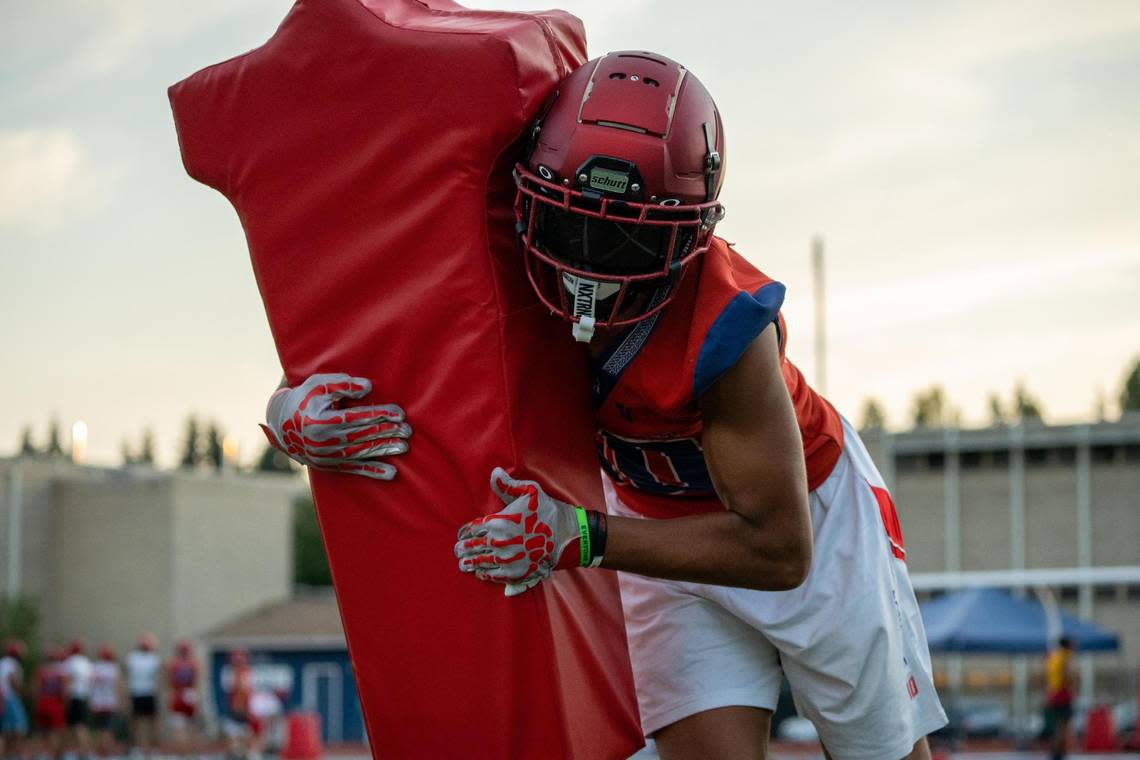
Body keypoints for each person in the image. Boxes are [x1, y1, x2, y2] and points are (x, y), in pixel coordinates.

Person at [261, 50, 947, 760]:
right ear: (527, 196)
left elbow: (779, 549)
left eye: (626, 233)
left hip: (809, 521)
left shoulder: (727, 326)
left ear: (691, 234)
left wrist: (582, 536)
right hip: (657, 536)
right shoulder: (499, 269)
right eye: (572, 224)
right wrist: (293, 409)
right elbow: (387, 341)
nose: (590, 265)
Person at [124, 634, 160, 758]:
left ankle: (136, 748)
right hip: (149, 693)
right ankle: (151, 749)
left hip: (136, 693)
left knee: (135, 724)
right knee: (151, 724)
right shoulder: (153, 659)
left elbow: (127, 673)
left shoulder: (131, 658)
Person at [164, 640, 200, 758]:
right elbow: (197, 682)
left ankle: (183, 755)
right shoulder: (194, 663)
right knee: (192, 727)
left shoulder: (172, 664)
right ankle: (193, 753)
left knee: (179, 730)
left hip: (177, 695)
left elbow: (169, 681)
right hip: (190, 695)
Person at [1044, 636, 1077, 760]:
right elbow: (1066, 675)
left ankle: (1056, 752)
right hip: (1062, 694)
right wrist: (1072, 685)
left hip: (1053, 694)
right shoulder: (1065, 657)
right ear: (1068, 645)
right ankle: (1058, 754)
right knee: (1062, 726)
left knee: (1058, 725)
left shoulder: (1053, 657)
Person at [33, 646, 67, 760]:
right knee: (55, 733)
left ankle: (39, 755)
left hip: (43, 702)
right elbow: (64, 690)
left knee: (41, 733)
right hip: (55, 703)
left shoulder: (41, 670)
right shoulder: (60, 670)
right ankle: (54, 756)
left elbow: (36, 689)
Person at [89, 646, 122, 759]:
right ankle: (108, 753)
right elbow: (117, 687)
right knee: (108, 729)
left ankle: (101, 753)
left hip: (97, 702)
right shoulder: (113, 669)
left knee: (100, 729)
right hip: (109, 702)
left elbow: (91, 685)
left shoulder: (95, 667)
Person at [61, 640, 92, 760]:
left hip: (73, 697)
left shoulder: (69, 663)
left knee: (74, 727)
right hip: (84, 696)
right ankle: (82, 752)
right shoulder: (86, 663)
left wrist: (65, 700)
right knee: (80, 726)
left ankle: (77, 753)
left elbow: (66, 682)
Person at [223, 650, 254, 760]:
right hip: (236, 709)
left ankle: (242, 754)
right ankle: (237, 754)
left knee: (243, 735)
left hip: (242, 709)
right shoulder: (231, 672)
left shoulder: (245, 672)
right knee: (234, 736)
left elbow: (245, 691)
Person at [1, 640, 29, 760]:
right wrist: (23, 691)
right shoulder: (12, 664)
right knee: (18, 730)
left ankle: (7, 754)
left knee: (7, 731)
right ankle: (13, 755)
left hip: (3, 698)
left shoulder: (2, 662)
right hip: (11, 698)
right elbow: (13, 681)